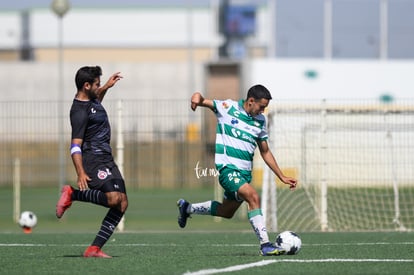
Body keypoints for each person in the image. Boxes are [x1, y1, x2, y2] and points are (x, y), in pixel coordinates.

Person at [177, 84, 297, 256]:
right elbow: (204, 101)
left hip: (244, 175)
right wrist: (197, 97)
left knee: (226, 212)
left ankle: (187, 208)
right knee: (254, 197)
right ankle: (265, 245)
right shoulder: (228, 107)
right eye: (261, 106)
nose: (263, 111)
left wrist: (282, 176)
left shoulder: (261, 121)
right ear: (251, 101)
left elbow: (265, 151)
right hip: (228, 171)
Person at [56, 66, 128, 258]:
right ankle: (73, 194)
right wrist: (80, 172)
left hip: (106, 157)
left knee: (122, 203)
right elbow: (75, 146)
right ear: (86, 86)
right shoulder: (79, 111)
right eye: (96, 84)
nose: (98, 87)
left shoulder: (91, 100)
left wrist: (105, 87)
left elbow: (94, 108)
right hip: (92, 159)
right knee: (114, 198)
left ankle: (94, 249)